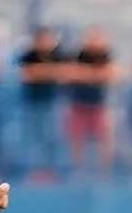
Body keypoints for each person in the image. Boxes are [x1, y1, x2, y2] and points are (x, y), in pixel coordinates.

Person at [66, 26, 118, 173]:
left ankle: (105, 170)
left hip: (98, 105)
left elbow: (111, 73)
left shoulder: (106, 55)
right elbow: (71, 73)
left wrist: (89, 74)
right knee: (76, 139)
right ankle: (77, 169)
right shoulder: (79, 55)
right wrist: (92, 74)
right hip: (79, 105)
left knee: (105, 138)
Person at [18, 26, 67, 179]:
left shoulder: (58, 54)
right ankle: (35, 171)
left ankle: (52, 170)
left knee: (52, 137)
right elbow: (26, 74)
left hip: (52, 102)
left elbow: (66, 73)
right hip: (32, 103)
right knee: (34, 137)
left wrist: (41, 72)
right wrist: (49, 72)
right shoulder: (29, 55)